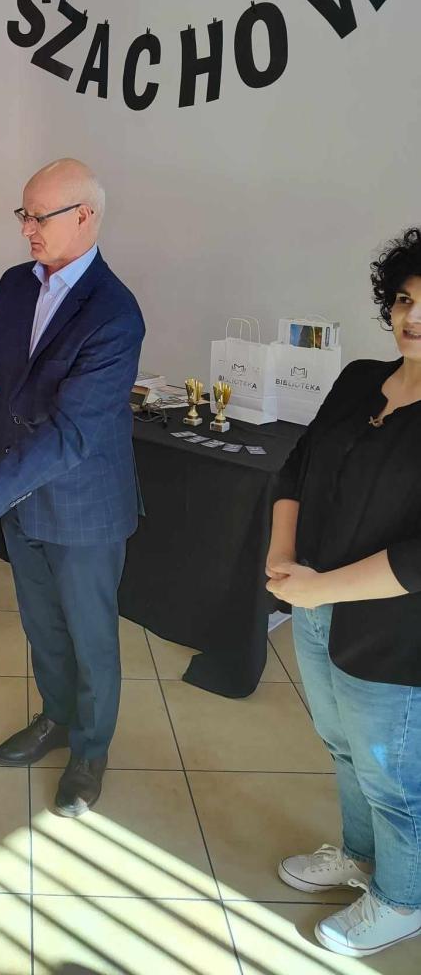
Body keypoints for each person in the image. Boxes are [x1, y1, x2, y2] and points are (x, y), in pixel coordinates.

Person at [0, 158, 144, 817]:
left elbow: (75, 433)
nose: (26, 230)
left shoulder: (115, 312)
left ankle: (90, 751)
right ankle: (56, 718)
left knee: (90, 638)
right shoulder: (18, 283)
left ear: (84, 217)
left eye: (38, 217)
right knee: (43, 626)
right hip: (22, 498)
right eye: (24, 214)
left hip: (83, 506)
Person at [267, 226, 421, 959]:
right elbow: (297, 467)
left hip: (395, 632)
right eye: (405, 299)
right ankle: (361, 859)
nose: (413, 317)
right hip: (316, 607)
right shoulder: (361, 377)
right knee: (342, 747)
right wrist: (282, 556)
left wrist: (320, 586)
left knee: (393, 776)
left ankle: (403, 898)